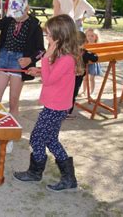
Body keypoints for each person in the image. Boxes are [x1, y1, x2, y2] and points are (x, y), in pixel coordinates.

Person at [13, 14, 83, 192]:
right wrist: (39, 70)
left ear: (60, 37)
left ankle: (36, 173)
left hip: (56, 107)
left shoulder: (66, 58)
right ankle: (68, 178)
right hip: (54, 105)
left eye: (49, 36)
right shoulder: (62, 56)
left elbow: (50, 80)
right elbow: (52, 75)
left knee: (37, 138)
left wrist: (44, 59)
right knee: (50, 140)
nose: (47, 38)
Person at [0, 0, 45, 115]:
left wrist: (30, 59)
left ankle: (12, 130)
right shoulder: (9, 20)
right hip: (4, 59)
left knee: (13, 101)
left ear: (27, 9)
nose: (16, 18)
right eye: (14, 14)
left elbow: (41, 50)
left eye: (19, 14)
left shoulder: (35, 25)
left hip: (19, 63)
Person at [67, 31, 98, 119]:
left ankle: (60, 110)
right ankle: (68, 112)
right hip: (78, 77)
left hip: (67, 77)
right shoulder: (85, 53)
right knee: (73, 94)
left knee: (66, 93)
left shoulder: (67, 51)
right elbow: (95, 58)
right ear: (84, 42)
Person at [83, 28, 103, 94]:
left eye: (92, 36)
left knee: (92, 78)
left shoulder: (97, 45)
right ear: (85, 36)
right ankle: (84, 91)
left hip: (93, 64)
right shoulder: (85, 44)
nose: (90, 37)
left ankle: (92, 92)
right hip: (86, 63)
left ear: (96, 37)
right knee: (85, 78)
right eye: (88, 35)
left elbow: (98, 55)